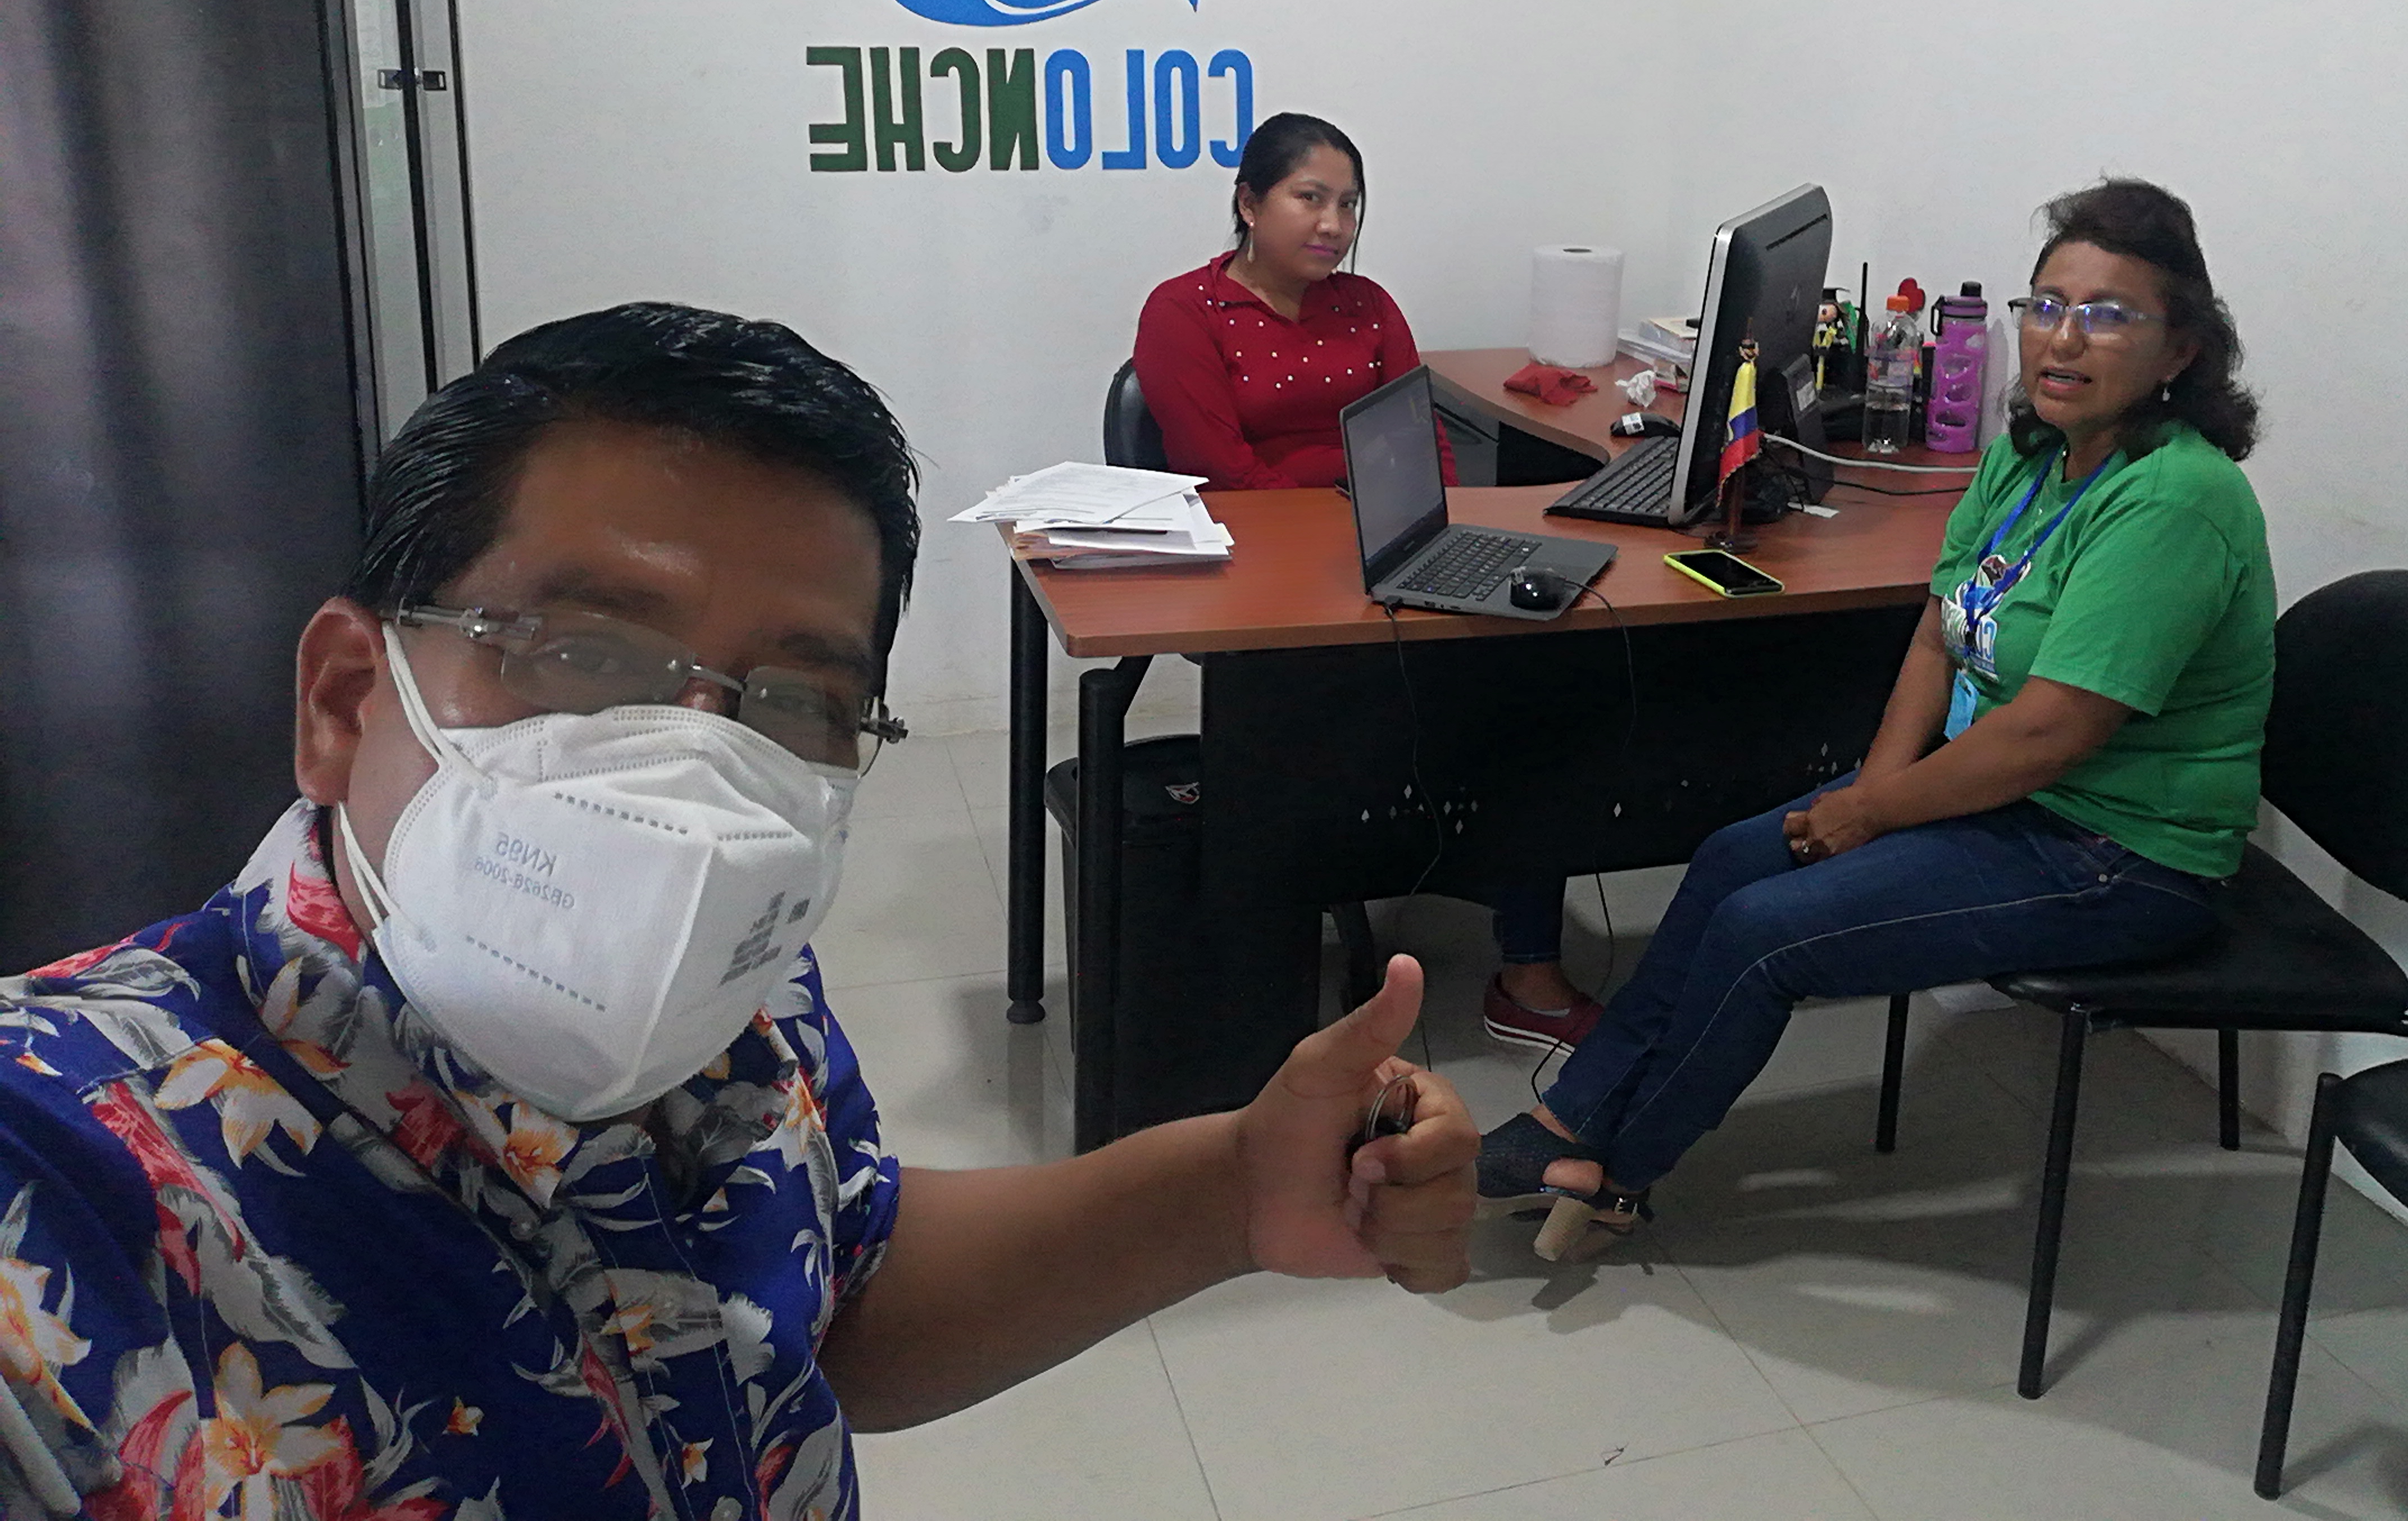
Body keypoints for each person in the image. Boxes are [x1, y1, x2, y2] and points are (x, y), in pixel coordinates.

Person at [0, 304, 1477, 1517]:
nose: (689, 778)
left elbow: (829, 1290)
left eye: (793, 701)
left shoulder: (740, 973)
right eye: (586, 654)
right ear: (343, 700)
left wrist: (1227, 1189)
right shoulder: (65, 1191)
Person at [1478, 178, 2273, 1260]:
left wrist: (1872, 815)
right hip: (2006, 795)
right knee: (1730, 859)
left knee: (1766, 932)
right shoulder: (2035, 452)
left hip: (2118, 852)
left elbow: (2050, 734)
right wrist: (1874, 795)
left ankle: (1618, 1174)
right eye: (2047, 305)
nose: (2063, 338)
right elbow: (1938, 636)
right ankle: (1574, 1116)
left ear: (2182, 349)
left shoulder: (2175, 499)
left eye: (2108, 314)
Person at [1132, 111, 1597, 1057]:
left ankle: (1526, 968)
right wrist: (1349, 503)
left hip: (1390, 556)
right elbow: (1228, 480)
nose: (1333, 224)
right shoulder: (1184, 313)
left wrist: (1424, 523)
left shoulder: (1369, 305)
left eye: (1349, 205)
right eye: (1310, 198)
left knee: (1539, 686)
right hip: (1267, 583)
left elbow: (1424, 444)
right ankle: (1292, 929)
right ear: (1248, 202)